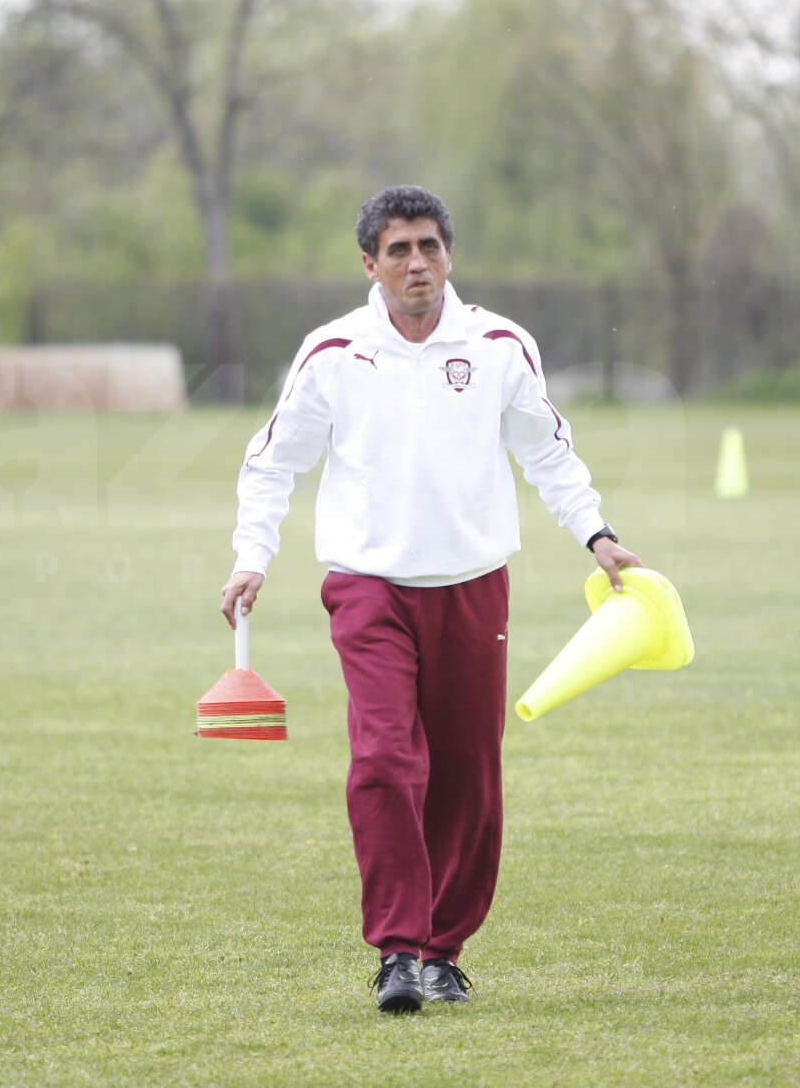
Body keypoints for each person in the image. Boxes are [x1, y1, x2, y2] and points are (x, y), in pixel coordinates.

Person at [219, 185, 641, 1014]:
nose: (418, 263)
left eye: (430, 247)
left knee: (467, 778)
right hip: (367, 586)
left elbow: (549, 454)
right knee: (384, 758)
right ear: (370, 263)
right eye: (399, 249)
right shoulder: (332, 352)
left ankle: (444, 951)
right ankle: (398, 951)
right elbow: (273, 462)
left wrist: (597, 534)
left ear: (449, 254)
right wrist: (251, 557)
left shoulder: (498, 346)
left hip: (474, 587)